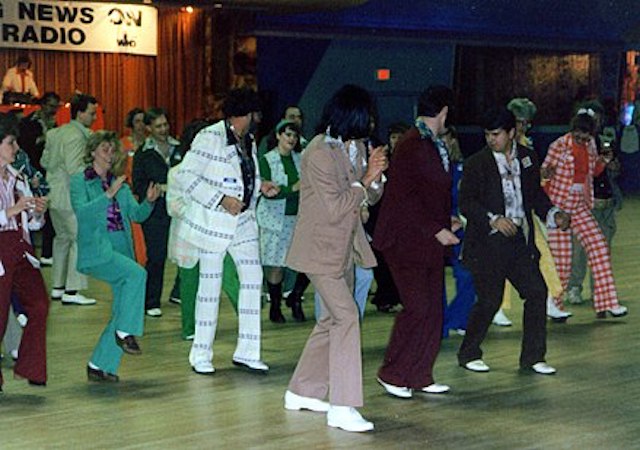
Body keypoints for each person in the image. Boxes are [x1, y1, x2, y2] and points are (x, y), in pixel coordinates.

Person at [284, 84, 386, 433]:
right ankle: (343, 406)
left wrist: (375, 179)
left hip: (346, 248)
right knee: (346, 317)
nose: (371, 124)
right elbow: (336, 207)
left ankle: (301, 390)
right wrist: (366, 179)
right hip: (319, 249)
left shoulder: (354, 146)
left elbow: (368, 197)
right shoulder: (318, 152)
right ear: (350, 116)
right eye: (366, 117)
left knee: (330, 321)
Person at [171, 87, 278, 375]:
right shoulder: (209, 137)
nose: (257, 119)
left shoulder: (248, 140)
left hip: (244, 221)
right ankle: (201, 354)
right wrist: (220, 199)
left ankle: (248, 352)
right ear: (242, 114)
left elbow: (245, 176)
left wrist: (261, 186)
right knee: (209, 288)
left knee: (253, 280)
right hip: (213, 224)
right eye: (254, 114)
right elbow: (185, 176)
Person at [456, 108, 570, 375]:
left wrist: (554, 213)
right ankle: (468, 353)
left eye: (496, 134)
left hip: (519, 241)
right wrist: (493, 219)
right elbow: (466, 203)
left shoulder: (528, 158)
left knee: (537, 292)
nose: (490, 139)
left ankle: (533, 357)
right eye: (487, 134)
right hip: (488, 243)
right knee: (489, 300)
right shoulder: (476, 163)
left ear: (511, 133)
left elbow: (535, 196)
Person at [373, 86, 456, 399]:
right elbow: (404, 198)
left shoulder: (431, 144)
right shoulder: (413, 143)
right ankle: (392, 373)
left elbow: (429, 193)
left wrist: (446, 221)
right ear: (444, 111)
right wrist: (436, 228)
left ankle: (420, 374)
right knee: (418, 308)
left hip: (425, 241)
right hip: (405, 241)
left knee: (433, 310)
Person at [70, 131, 159, 382]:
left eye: (112, 150)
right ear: (92, 152)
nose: (110, 155)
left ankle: (99, 364)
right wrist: (108, 195)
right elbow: (82, 213)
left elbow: (136, 215)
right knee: (138, 275)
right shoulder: (80, 181)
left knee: (122, 309)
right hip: (98, 249)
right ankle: (125, 332)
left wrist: (149, 202)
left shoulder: (120, 184)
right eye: (104, 149)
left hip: (121, 247)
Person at [543, 109, 628, 318]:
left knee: (599, 246)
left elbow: (591, 173)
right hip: (560, 206)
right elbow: (544, 176)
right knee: (562, 260)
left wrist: (603, 161)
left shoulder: (590, 146)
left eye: (586, 137)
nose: (581, 141)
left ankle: (608, 301)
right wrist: (549, 205)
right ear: (571, 131)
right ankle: (554, 304)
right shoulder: (558, 146)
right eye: (577, 137)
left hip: (580, 203)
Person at [0, 112, 49, 391]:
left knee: (39, 304)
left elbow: (33, 224)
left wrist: (37, 212)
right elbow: (10, 214)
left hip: (20, 248)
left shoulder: (18, 178)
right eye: (11, 143)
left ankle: (31, 367)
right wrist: (11, 211)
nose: (16, 148)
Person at [40, 93, 98, 305]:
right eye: (91, 113)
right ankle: (72, 290)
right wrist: (94, 169)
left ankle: (58, 287)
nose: (94, 117)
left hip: (54, 194)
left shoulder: (55, 133)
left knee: (62, 239)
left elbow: (44, 161)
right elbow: (75, 169)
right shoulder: (76, 136)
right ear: (80, 113)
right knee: (78, 240)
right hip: (69, 196)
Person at [132, 108, 182, 317]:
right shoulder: (143, 153)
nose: (163, 129)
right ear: (149, 128)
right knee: (156, 255)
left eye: (165, 124)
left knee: (185, 253)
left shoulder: (180, 148)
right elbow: (138, 183)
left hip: (179, 210)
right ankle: (151, 300)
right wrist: (155, 191)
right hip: (155, 212)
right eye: (158, 126)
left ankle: (179, 292)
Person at [256, 119, 304, 323]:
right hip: (275, 219)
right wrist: (292, 188)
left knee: (304, 262)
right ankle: (275, 306)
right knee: (275, 264)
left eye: (295, 136)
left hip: (299, 218)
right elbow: (268, 190)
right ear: (278, 135)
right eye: (287, 135)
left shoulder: (301, 159)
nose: (291, 139)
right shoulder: (267, 160)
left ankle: (295, 297)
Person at [368, 122, 408, 313]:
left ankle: (396, 295)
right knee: (380, 259)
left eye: (400, 137)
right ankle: (385, 295)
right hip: (379, 215)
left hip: (400, 217)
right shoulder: (383, 159)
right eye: (393, 137)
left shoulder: (410, 160)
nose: (396, 140)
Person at [18, 92, 60, 265]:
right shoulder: (29, 122)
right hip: (31, 171)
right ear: (42, 105)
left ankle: (47, 253)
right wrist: (44, 138)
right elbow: (25, 146)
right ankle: (27, 252)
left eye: (56, 106)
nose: (53, 110)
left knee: (48, 210)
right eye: (50, 106)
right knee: (27, 210)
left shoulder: (55, 124)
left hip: (48, 172)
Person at [116, 107, 148, 267]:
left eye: (143, 121)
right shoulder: (123, 144)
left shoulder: (150, 144)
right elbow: (117, 170)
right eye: (137, 121)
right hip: (129, 194)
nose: (140, 125)